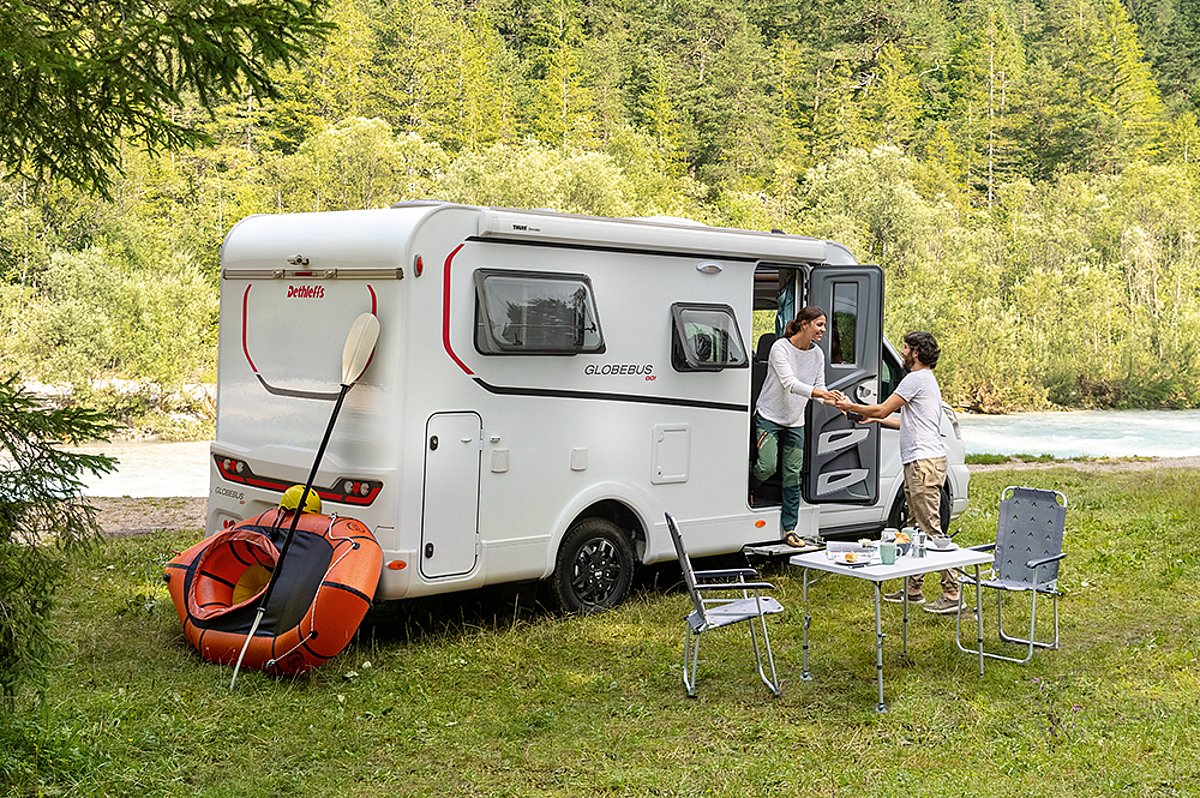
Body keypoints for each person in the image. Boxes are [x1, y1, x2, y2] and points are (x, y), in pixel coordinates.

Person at [834, 331, 957, 614]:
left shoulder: (915, 379)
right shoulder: (927, 380)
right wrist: (871, 418)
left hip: (923, 464)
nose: (902, 352)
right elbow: (905, 422)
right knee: (914, 527)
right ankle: (913, 589)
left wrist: (849, 406)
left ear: (916, 352)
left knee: (930, 529)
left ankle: (952, 593)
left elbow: (881, 408)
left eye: (905, 347)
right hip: (923, 461)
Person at [752, 306, 845, 546]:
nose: (823, 330)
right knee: (767, 465)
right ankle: (749, 490)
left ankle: (790, 529)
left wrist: (838, 402)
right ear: (804, 324)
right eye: (819, 325)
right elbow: (789, 383)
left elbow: (820, 387)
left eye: (824, 325)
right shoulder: (780, 348)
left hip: (796, 419)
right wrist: (819, 392)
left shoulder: (817, 354)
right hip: (769, 415)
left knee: (792, 474)